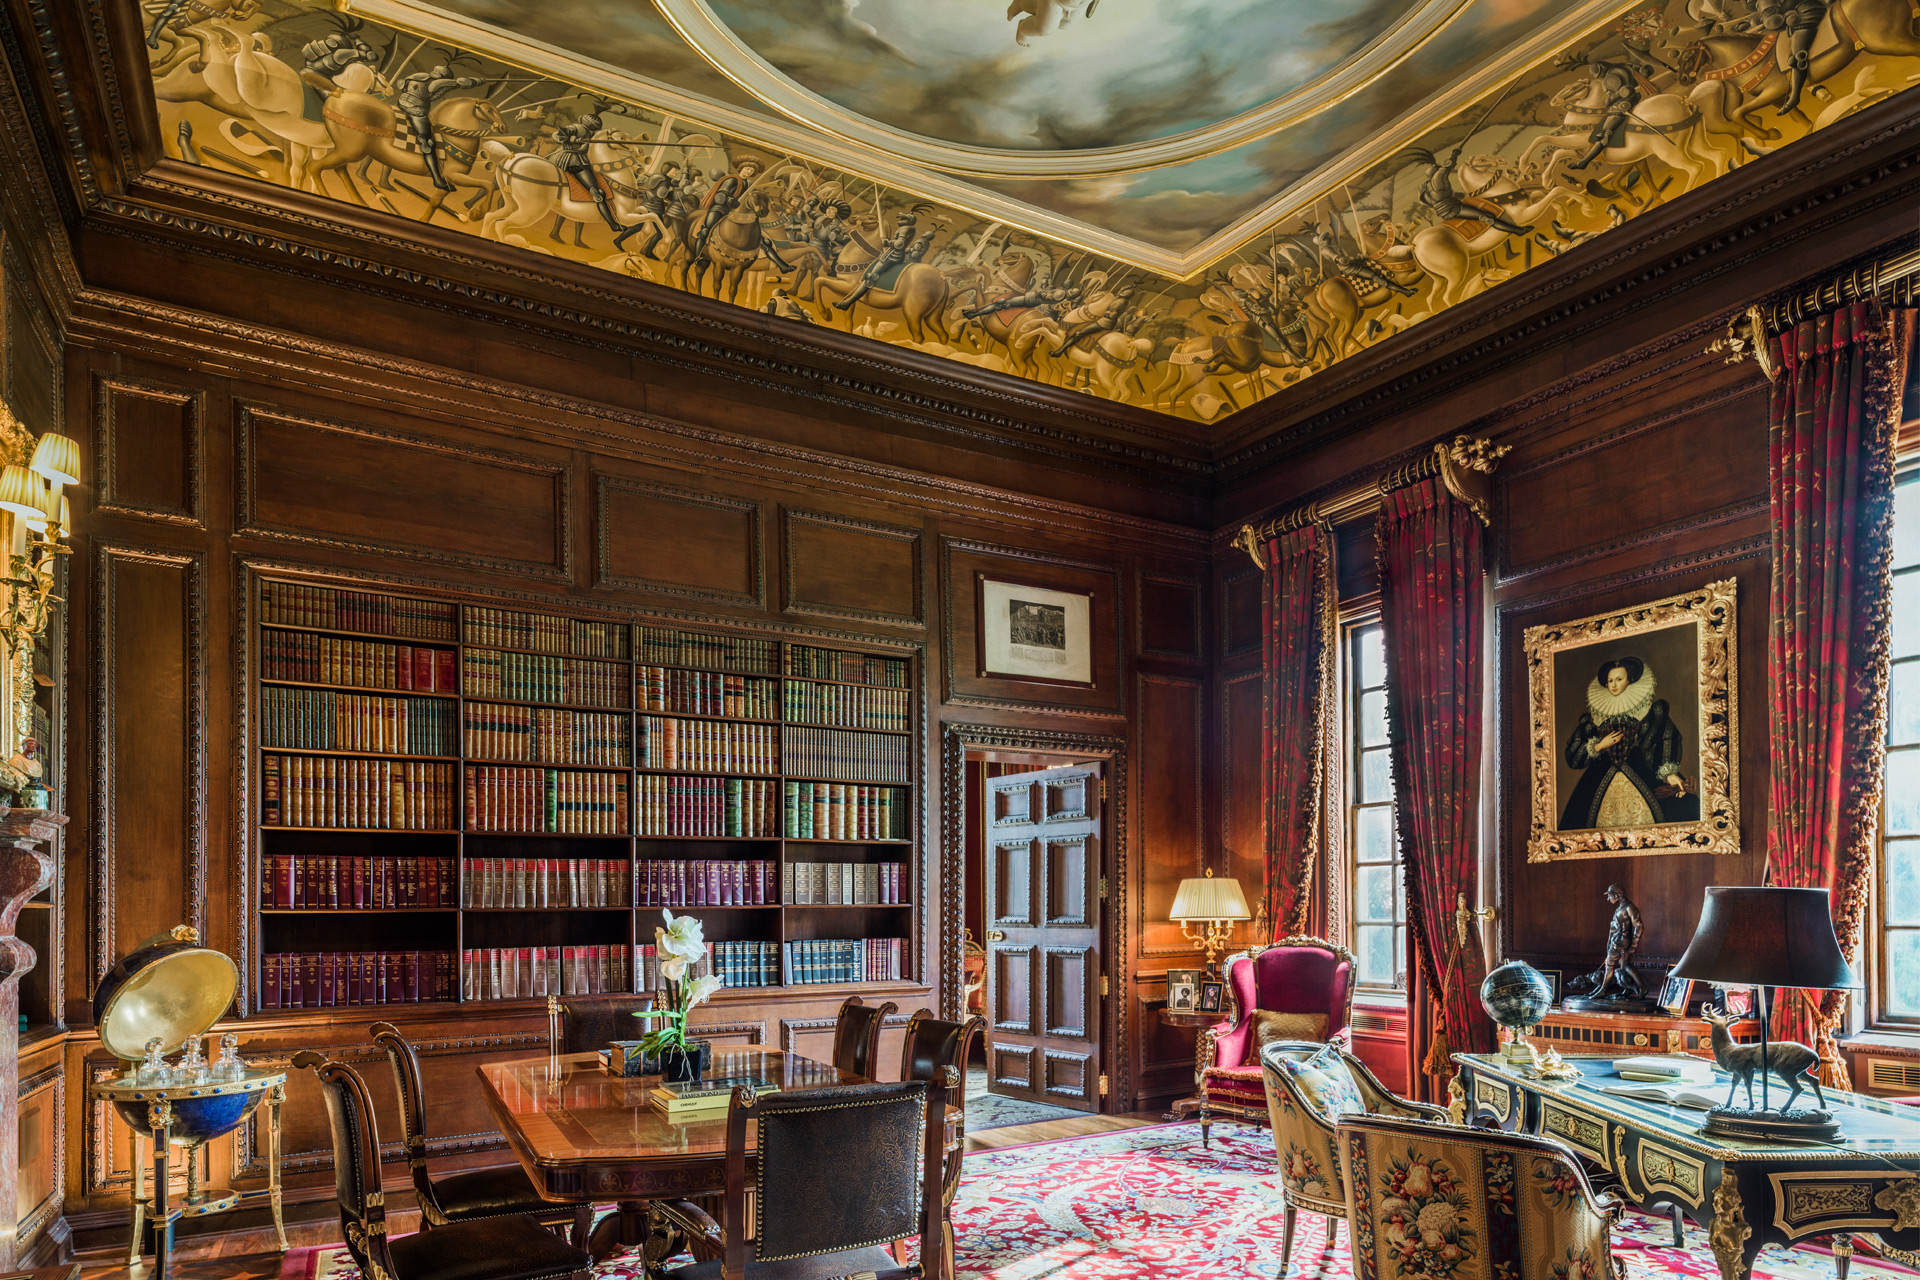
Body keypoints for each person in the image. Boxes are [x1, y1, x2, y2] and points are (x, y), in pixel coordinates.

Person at [1559, 655, 1696, 829]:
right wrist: (1600, 745)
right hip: (1600, 773)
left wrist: (1668, 773)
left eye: (1619, 679)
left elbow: (1662, 738)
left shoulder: (1648, 711)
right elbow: (1573, 756)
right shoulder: (1594, 718)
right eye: (1610, 681)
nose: (1614, 685)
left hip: (1640, 768)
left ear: (1629, 680)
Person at [393, 64, 482, 192]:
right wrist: (475, 81)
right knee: (429, 144)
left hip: (401, 102)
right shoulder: (436, 83)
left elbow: (400, 83)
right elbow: (459, 82)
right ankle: (437, 179)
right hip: (416, 110)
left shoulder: (418, 76)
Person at [549, 113, 634, 240]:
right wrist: (574, 140)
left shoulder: (590, 134)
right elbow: (557, 136)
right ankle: (613, 225)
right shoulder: (578, 128)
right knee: (597, 193)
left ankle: (559, 233)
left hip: (579, 161)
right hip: (575, 163)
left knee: (581, 194)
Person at [1564, 884, 1645, 1002]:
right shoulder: (1622, 907)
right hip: (1616, 943)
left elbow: (1639, 926)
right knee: (1625, 965)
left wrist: (1633, 946)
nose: (1608, 899)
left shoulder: (1629, 907)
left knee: (1609, 966)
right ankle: (1642, 988)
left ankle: (1603, 990)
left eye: (1610, 896)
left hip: (1620, 944)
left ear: (1617, 895)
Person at [1569, 60, 1642, 171]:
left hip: (1619, 109)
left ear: (1602, 69)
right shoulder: (1623, 68)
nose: (1599, 77)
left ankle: (1584, 162)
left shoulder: (1610, 79)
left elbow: (1620, 94)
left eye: (1599, 75)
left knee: (1603, 135)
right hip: (1634, 100)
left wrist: (1607, 102)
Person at [835, 213, 916, 310]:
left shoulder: (905, 229)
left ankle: (847, 303)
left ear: (908, 220)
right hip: (893, 255)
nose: (901, 219)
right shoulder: (910, 229)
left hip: (892, 256)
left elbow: (899, 244)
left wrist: (888, 242)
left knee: (871, 277)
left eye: (903, 218)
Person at [690, 159, 763, 262]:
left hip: (736, 212)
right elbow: (720, 196)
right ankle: (698, 257)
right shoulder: (732, 180)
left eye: (751, 171)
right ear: (741, 169)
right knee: (706, 231)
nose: (749, 172)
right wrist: (730, 201)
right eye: (747, 169)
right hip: (720, 209)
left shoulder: (749, 184)